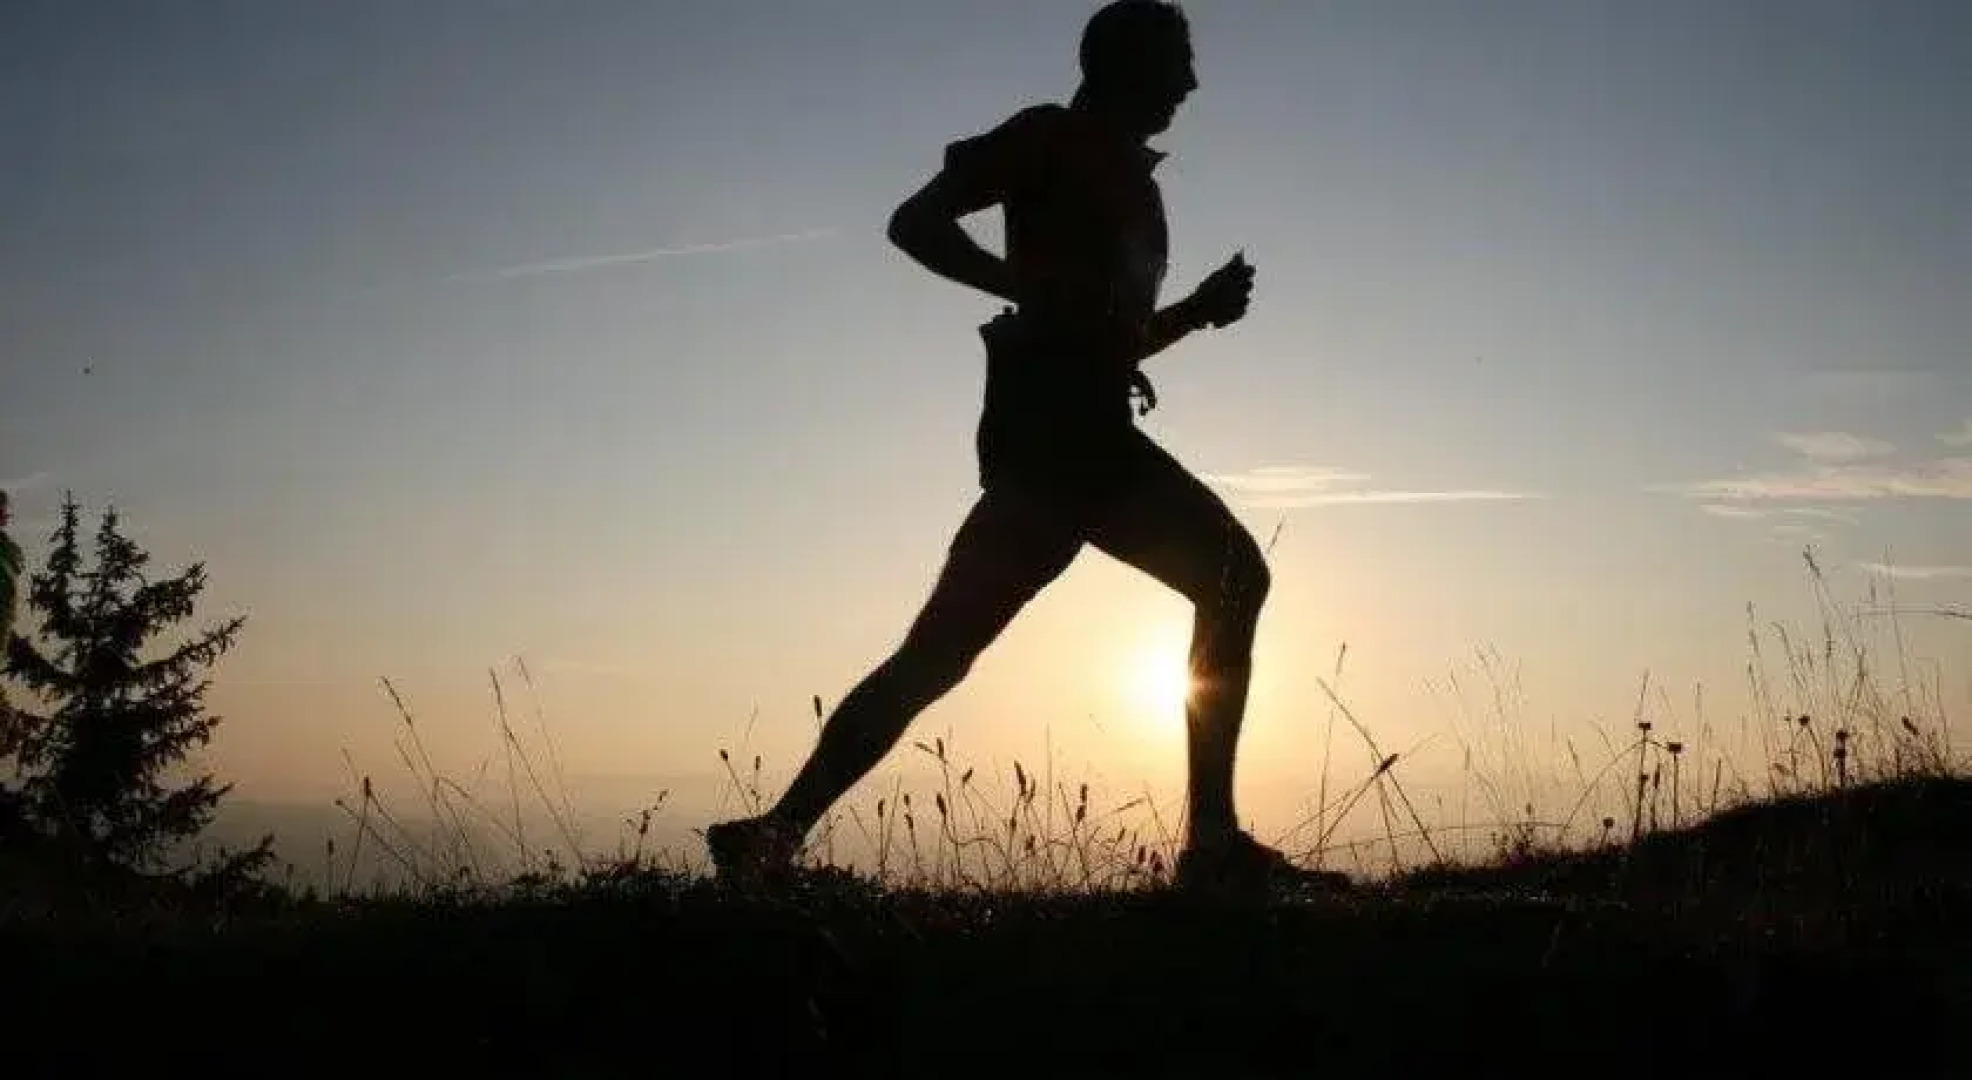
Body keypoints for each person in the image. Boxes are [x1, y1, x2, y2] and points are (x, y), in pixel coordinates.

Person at [708, 0, 1346, 897]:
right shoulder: (1050, 138)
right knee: (1235, 576)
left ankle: (772, 833)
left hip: (1064, 438)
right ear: (1124, 64)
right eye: (1179, 62)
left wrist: (1193, 314)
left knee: (939, 653)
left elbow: (1104, 335)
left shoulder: (1139, 186)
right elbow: (915, 222)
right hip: (1066, 438)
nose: (1192, 84)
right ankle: (1210, 848)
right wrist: (1019, 286)